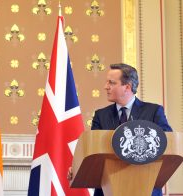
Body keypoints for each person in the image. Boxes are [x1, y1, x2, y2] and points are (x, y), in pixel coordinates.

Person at [68, 63, 172, 196]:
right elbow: (92, 151)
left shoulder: (153, 111)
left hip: (145, 188)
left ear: (127, 87)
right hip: (107, 190)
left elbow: (168, 144)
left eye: (111, 83)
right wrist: (77, 168)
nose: (106, 87)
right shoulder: (101, 115)